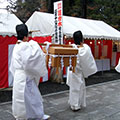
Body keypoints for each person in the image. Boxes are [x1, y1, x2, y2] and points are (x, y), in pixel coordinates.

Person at [10, 24, 50, 120]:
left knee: (22, 99)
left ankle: (22, 116)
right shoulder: (24, 46)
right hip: (25, 76)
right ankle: (37, 115)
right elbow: (30, 60)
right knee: (33, 98)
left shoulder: (17, 45)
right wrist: (35, 44)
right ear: (25, 35)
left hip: (19, 75)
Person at [66, 30, 97, 111]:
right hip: (78, 72)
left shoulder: (70, 48)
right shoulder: (85, 49)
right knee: (78, 89)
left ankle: (73, 103)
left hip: (71, 71)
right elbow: (88, 61)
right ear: (82, 39)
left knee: (73, 89)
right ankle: (76, 105)